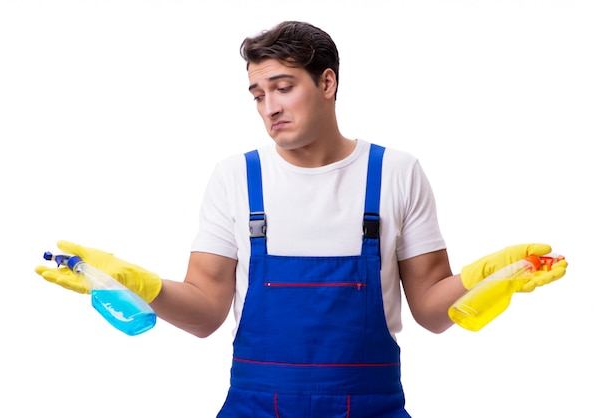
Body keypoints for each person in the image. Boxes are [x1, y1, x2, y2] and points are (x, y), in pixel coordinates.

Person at [35, 21, 568, 417]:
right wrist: (134, 283)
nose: (269, 107)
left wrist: (494, 277)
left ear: (327, 83)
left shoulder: (395, 173)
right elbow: (204, 315)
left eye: (283, 86)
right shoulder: (235, 179)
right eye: (257, 93)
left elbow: (430, 309)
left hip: (371, 407)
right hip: (254, 406)